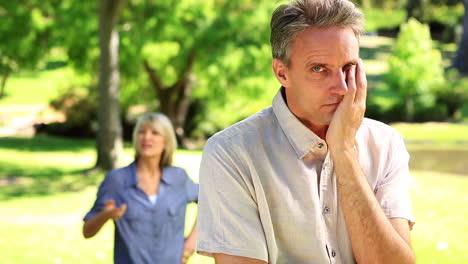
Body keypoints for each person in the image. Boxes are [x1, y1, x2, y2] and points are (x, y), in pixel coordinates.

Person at [196, 0, 415, 263]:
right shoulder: (232, 153)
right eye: (319, 69)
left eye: (348, 68)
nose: (342, 88)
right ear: (281, 72)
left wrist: (344, 151)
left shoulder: (386, 144)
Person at [83, 112, 199, 264]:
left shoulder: (179, 177)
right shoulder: (117, 180)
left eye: (155, 133)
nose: (147, 137)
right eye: (141, 132)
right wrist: (106, 215)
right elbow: (87, 231)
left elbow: (209, 203)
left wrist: (190, 245)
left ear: (167, 141)